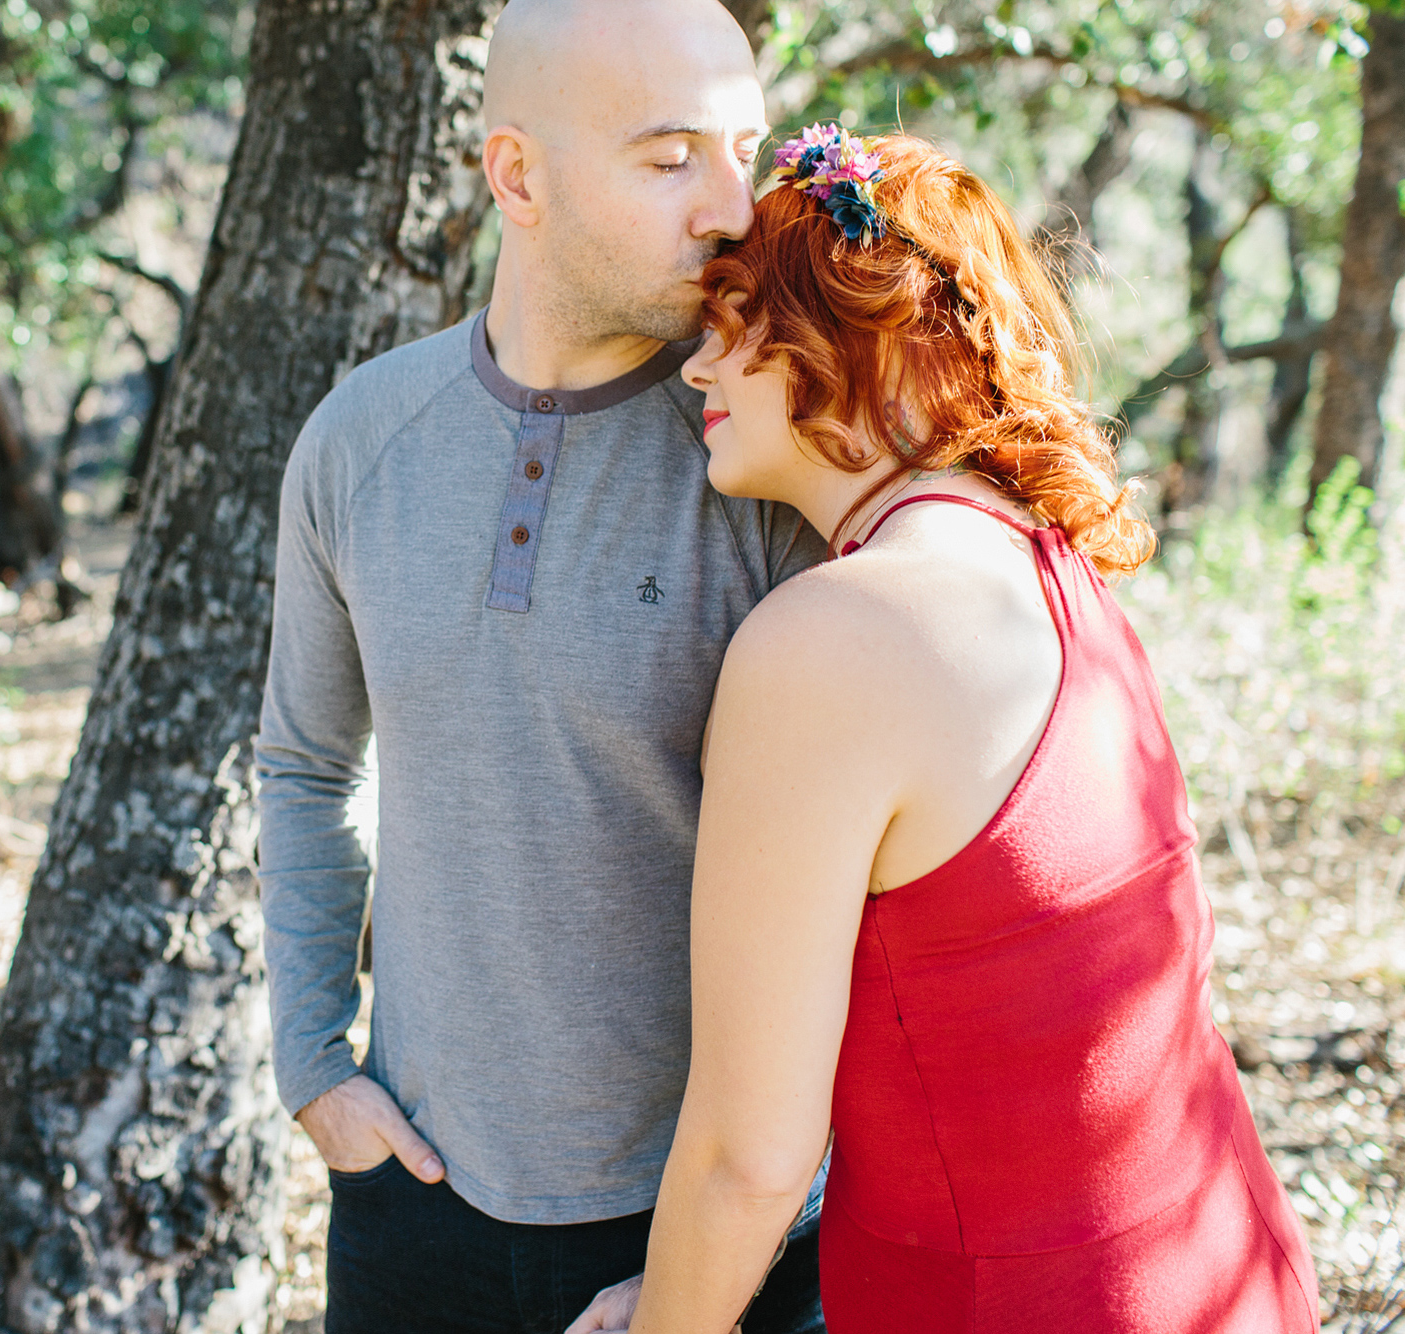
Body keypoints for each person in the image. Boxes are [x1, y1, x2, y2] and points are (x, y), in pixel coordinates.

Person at [568, 127, 1319, 1334]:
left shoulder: (828, 639)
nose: (695, 369)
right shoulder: (1048, 560)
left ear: (855, 326)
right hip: (1223, 1261)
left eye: (734, 316)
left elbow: (750, 1153)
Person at [254, 2, 833, 1331]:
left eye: (744, 149)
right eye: (670, 155)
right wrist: (310, 1064)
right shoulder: (358, 441)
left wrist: (712, 1257)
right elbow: (305, 761)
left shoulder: (764, 454)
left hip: (704, 1225)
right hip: (411, 1202)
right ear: (517, 175)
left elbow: (871, 892)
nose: (735, 210)